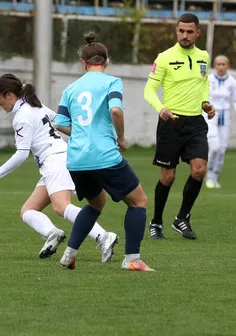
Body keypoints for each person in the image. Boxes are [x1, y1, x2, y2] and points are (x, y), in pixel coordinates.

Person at [0, 74, 119, 262]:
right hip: (56, 160)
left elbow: (21, 154)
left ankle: (104, 236)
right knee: (28, 210)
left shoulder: (22, 116)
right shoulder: (35, 106)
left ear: (9, 95)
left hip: (55, 161)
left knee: (61, 207)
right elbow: (61, 122)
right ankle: (53, 233)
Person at [54, 32, 154, 272]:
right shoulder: (111, 82)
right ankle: (132, 259)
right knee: (138, 201)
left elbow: (59, 122)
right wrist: (120, 138)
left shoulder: (71, 88)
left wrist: (80, 131)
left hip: (77, 159)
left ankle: (69, 254)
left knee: (96, 202)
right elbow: (116, 112)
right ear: (106, 62)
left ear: (84, 63)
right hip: (104, 155)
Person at [143, 13, 215, 240]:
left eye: (189, 31)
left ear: (198, 33)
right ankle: (156, 222)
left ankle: (182, 218)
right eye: (181, 31)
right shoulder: (164, 58)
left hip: (195, 122)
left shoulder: (204, 56)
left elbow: (203, 85)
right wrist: (160, 108)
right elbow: (149, 90)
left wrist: (206, 103)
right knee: (168, 177)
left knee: (199, 170)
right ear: (176, 31)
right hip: (171, 122)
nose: (185, 35)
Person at [204, 55, 236, 189]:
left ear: (228, 66)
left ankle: (215, 176)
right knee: (214, 146)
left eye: (223, 64)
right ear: (214, 66)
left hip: (225, 115)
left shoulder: (232, 82)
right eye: (218, 64)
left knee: (222, 149)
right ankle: (208, 175)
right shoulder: (208, 79)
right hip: (211, 115)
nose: (221, 67)